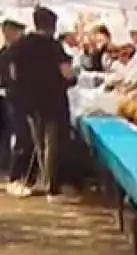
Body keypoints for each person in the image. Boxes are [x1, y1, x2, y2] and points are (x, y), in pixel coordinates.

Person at [7, 6, 73, 201]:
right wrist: (71, 79)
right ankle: (51, 187)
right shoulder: (54, 46)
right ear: (52, 25)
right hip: (53, 100)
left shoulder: (19, 45)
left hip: (29, 101)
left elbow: (13, 74)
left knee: (37, 141)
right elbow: (66, 73)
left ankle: (39, 180)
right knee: (51, 143)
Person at [0, 16, 25, 182]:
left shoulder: (7, 52)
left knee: (7, 133)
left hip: (7, 95)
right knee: (13, 132)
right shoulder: (10, 54)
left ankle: (6, 166)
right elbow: (13, 78)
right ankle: (9, 168)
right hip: (10, 97)